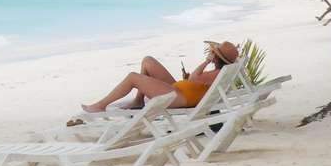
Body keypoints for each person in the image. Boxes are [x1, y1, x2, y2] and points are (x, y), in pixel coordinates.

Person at [82, 40, 239, 113]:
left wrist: (206, 62)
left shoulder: (217, 73)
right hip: (180, 90)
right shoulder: (218, 73)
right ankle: (138, 101)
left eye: (213, 53)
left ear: (216, 58)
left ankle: (101, 105)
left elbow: (193, 79)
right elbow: (195, 81)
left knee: (133, 77)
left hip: (179, 97)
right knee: (148, 61)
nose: (210, 53)